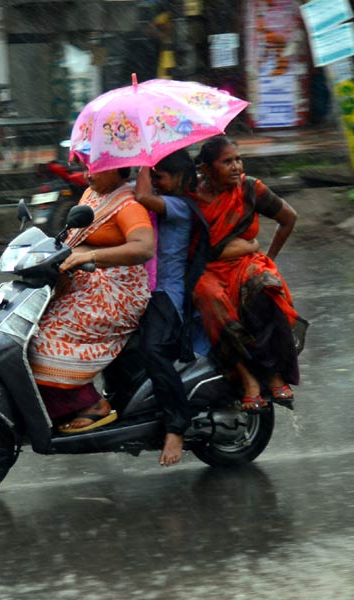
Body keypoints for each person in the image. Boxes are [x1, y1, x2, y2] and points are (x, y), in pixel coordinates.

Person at [134, 150, 258, 466]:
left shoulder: (179, 207)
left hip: (169, 295)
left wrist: (144, 162)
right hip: (147, 291)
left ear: (179, 178)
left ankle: (176, 425)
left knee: (153, 352)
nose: (157, 182)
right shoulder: (171, 202)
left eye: (161, 176)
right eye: (155, 175)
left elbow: (143, 196)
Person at [28, 167, 155, 434]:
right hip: (89, 283)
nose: (89, 174)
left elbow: (144, 247)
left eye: (97, 169)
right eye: (88, 167)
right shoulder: (92, 195)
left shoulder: (128, 205)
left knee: (43, 340)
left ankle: (91, 404)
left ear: (118, 171)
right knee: (27, 327)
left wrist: (90, 256)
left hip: (118, 293)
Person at [191, 136, 302, 411]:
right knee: (210, 296)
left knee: (265, 285)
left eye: (238, 159)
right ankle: (247, 376)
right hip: (208, 270)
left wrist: (268, 257)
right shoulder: (190, 197)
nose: (236, 166)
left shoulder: (250, 188)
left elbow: (288, 218)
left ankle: (275, 374)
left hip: (245, 264)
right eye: (227, 161)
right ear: (206, 168)